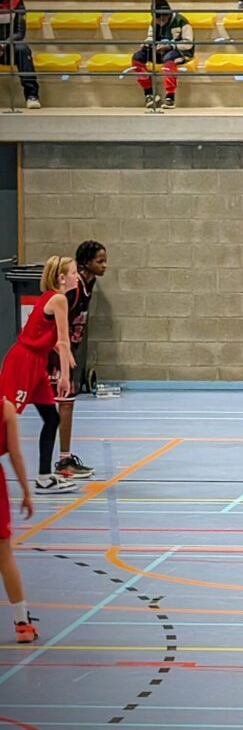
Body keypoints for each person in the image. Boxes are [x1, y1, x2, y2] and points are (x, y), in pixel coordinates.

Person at [0, 255, 78, 495]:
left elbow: (45, 334)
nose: (77, 276)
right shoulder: (58, 299)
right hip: (23, 362)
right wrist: (65, 376)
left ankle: (44, 478)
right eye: (74, 273)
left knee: (52, 419)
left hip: (37, 362)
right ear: (62, 278)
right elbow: (64, 342)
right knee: (4, 417)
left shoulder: (51, 298)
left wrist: (59, 351)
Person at [50, 240, 107, 480]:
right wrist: (62, 358)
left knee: (65, 404)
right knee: (56, 404)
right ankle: (61, 462)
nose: (104, 265)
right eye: (99, 261)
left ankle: (64, 459)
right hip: (53, 354)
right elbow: (54, 326)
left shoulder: (88, 285)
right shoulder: (73, 290)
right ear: (86, 263)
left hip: (67, 353)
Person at [0, 396, 37, 642]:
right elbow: (15, 454)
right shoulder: (5, 408)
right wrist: (26, 491)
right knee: (5, 555)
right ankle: (22, 624)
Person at [130, 0, 194, 110]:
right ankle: (149, 93)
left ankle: (170, 96)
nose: (161, 21)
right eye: (158, 18)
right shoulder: (154, 22)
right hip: (159, 52)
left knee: (169, 58)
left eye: (164, 17)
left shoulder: (182, 21)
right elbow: (150, 37)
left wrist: (170, 46)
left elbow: (188, 44)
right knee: (137, 57)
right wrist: (148, 44)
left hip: (179, 52)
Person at [0, 0, 40, 109]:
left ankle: (31, 96)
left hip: (7, 47)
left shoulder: (16, 1)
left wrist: (5, 42)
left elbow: (20, 32)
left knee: (22, 49)